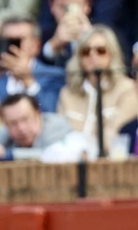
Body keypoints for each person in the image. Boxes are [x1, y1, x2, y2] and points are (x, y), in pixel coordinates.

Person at [58, 23, 138, 155]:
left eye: (100, 51)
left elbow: (115, 131)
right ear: (79, 57)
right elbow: (59, 135)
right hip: (69, 163)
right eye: (86, 51)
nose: (92, 55)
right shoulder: (67, 93)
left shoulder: (128, 89)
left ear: (112, 53)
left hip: (109, 164)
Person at [0, 91, 88, 162]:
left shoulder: (55, 125)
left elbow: (48, 156)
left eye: (25, 119)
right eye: (13, 123)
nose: (21, 128)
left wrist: (7, 155)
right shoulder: (3, 133)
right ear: (5, 123)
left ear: (38, 114)